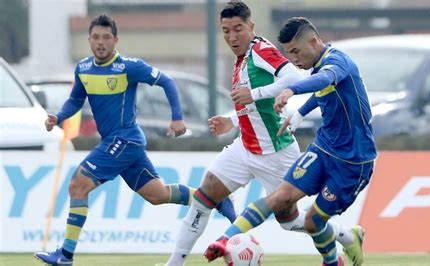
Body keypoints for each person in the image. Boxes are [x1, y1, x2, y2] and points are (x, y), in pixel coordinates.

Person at [34, 14, 235, 266]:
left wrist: (177, 117)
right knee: (158, 195)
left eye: (106, 37)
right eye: (96, 37)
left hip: (124, 139)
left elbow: (167, 81)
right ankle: (213, 198)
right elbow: (76, 99)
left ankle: (65, 255)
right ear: (89, 40)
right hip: (123, 143)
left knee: (78, 185)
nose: (100, 42)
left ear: (115, 40)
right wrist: (59, 116)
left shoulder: (128, 67)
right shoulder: (83, 68)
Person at [205, 17, 377, 266]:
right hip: (324, 148)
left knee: (313, 221)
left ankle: (338, 255)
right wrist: (299, 115)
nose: (293, 59)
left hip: (354, 161)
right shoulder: (319, 66)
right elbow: (323, 93)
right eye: (289, 53)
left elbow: (324, 81)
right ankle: (224, 239)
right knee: (280, 198)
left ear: (313, 41)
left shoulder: (337, 62)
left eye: (296, 51)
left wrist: (291, 90)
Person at [165, 2, 309, 266]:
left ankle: (344, 235)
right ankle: (174, 263)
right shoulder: (241, 61)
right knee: (204, 195)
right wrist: (232, 120)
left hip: (276, 152)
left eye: (238, 29)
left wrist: (253, 94)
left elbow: (295, 78)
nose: (232, 37)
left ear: (251, 27)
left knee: (291, 222)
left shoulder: (261, 50)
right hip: (245, 147)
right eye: (226, 30)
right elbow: (256, 108)